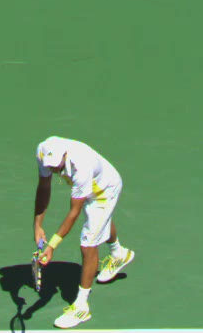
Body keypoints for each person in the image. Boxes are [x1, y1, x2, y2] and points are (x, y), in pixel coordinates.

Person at [34, 136, 135, 328]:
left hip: (105, 191)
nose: (53, 169)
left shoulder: (82, 165)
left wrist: (52, 245)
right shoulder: (42, 152)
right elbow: (44, 186)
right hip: (91, 184)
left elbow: (74, 213)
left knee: (88, 243)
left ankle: (81, 307)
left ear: (65, 155)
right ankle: (119, 254)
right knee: (100, 222)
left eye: (56, 165)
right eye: (50, 165)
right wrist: (37, 225)